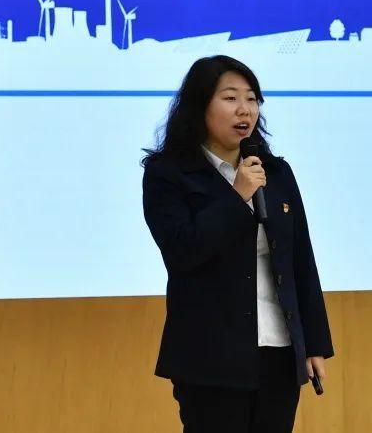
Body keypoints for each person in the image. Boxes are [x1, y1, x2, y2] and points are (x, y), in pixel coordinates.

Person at [141, 55, 334, 433]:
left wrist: (313, 343)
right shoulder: (168, 174)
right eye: (230, 98)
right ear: (199, 106)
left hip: (278, 351)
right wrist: (235, 196)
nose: (244, 109)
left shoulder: (275, 172)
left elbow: (300, 260)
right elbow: (182, 252)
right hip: (210, 356)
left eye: (251, 98)